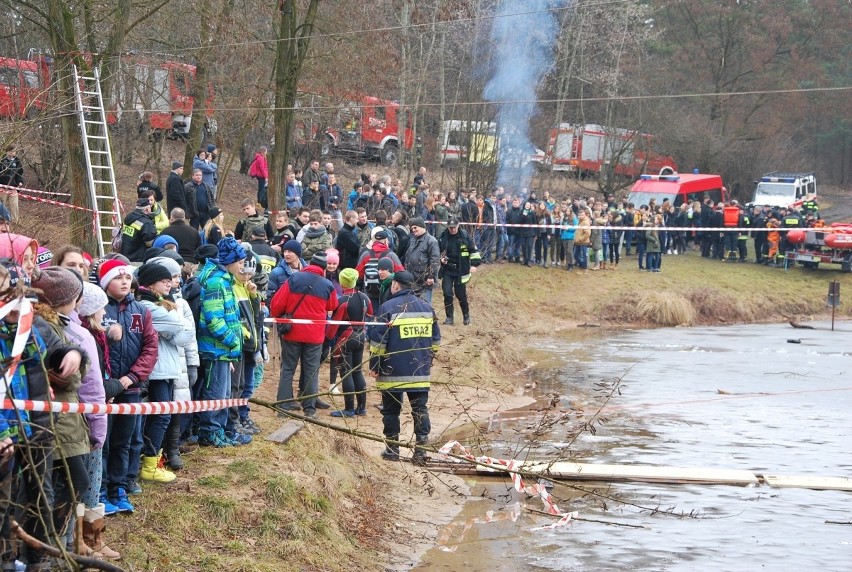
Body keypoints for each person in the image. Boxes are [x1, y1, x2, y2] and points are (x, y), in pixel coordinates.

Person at [99, 259, 158, 513]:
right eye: (117, 277)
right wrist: (109, 382)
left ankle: (118, 488)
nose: (124, 281)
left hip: (131, 388)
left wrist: (132, 377)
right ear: (105, 283)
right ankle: (100, 490)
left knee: (123, 440)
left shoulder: (141, 311)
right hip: (104, 389)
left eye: (127, 277)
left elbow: (150, 348)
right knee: (103, 440)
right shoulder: (97, 310)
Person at [368, 270, 440, 465]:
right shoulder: (427, 307)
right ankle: (421, 451)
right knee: (420, 410)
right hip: (419, 371)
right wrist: (426, 360)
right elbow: (435, 341)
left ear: (396, 285)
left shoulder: (387, 307)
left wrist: (374, 365)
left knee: (391, 411)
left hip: (392, 372)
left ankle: (392, 450)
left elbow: (378, 343)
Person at [270, 252, 338, 418]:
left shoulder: (294, 279)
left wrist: (280, 317)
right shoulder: (327, 285)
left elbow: (277, 303)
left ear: (309, 263)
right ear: (323, 268)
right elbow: (333, 305)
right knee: (311, 371)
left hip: (292, 332)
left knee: (287, 369)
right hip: (314, 335)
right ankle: (309, 408)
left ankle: (283, 406)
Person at [196, 237, 245, 447]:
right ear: (230, 260)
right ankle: (209, 432)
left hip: (223, 350)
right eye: (240, 261)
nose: (243, 265)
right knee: (215, 392)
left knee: (224, 393)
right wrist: (233, 341)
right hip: (214, 349)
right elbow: (214, 320)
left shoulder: (226, 281)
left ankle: (220, 430)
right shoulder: (216, 283)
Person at [325, 268, 371, 418]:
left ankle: (349, 409)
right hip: (361, 336)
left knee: (346, 373)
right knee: (357, 371)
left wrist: (328, 338)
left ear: (342, 282)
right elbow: (371, 313)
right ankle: (362, 408)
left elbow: (334, 325)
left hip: (346, 337)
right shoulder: (364, 297)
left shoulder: (342, 300)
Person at [438, 217, 481, 325]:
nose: (452, 229)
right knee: (447, 293)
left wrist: (474, 264)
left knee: (460, 295)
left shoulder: (465, 237)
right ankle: (449, 317)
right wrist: (441, 258)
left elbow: (474, 251)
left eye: (454, 227)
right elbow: (438, 250)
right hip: (447, 269)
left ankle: (466, 315)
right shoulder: (444, 236)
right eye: (450, 227)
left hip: (461, 270)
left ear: (458, 226)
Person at [405, 217, 440, 304]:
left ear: (422, 226)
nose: (413, 230)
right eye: (412, 228)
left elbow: (435, 260)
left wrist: (431, 276)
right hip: (412, 280)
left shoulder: (431, 241)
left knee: (425, 307)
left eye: (415, 227)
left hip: (424, 282)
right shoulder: (412, 240)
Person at [120, 198, 158, 262]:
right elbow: (150, 243)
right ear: (147, 209)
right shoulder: (146, 223)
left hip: (125, 257)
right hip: (138, 259)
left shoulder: (128, 218)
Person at [0, 145, 23, 222]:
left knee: (14, 206)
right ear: (7, 151)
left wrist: (20, 182)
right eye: (10, 151)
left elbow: (19, 175)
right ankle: (2, 221)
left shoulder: (17, 162)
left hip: (13, 188)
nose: (12, 153)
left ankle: (14, 222)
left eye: (13, 151)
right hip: (2, 187)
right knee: (1, 205)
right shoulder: (2, 160)